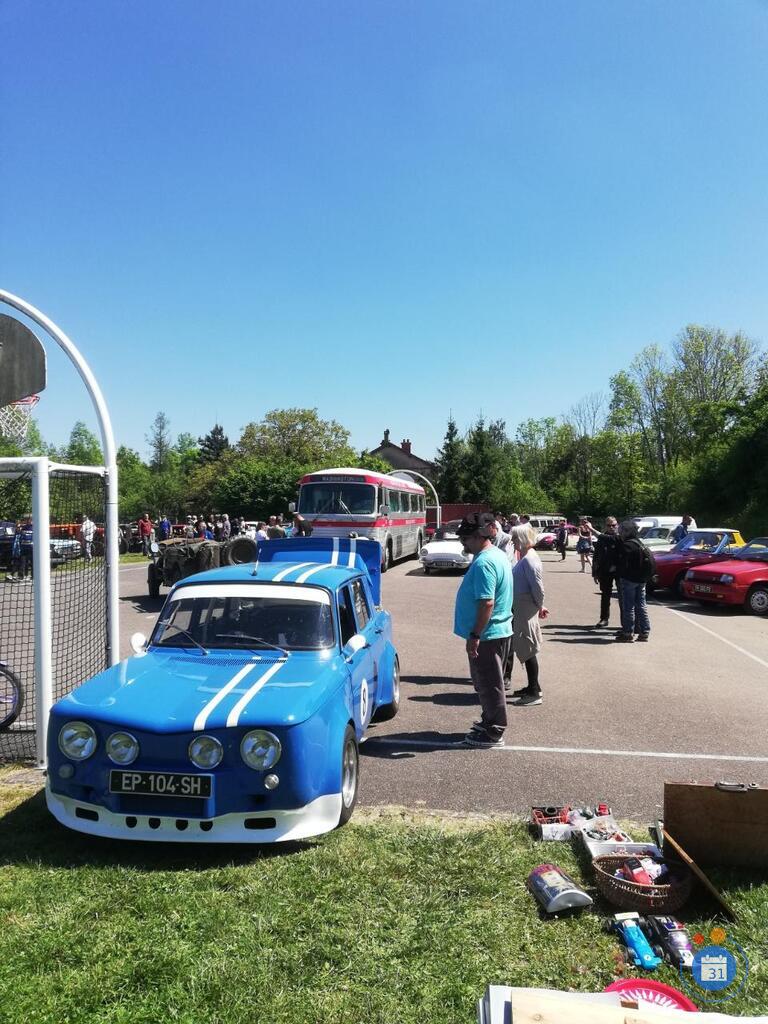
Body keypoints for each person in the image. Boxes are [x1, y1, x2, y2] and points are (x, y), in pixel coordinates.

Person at [453, 513, 513, 748]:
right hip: (495, 630)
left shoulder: (484, 562)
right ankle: (489, 719)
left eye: (465, 538)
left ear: (479, 536)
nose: (462, 543)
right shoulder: (495, 555)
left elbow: (487, 602)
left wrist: (475, 635)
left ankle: (494, 731)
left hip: (488, 634)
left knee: (489, 683)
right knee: (487, 681)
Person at [508, 524, 548, 706]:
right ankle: (532, 686)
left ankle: (534, 691)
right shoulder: (525, 557)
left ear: (523, 538)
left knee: (528, 647)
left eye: (515, 538)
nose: (513, 541)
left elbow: (538, 587)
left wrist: (540, 606)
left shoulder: (530, 559)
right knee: (525, 646)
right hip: (522, 605)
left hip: (525, 607)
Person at [615, 520, 655, 642]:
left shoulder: (627, 545)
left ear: (627, 532)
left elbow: (622, 563)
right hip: (642, 579)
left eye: (621, 530)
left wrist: (618, 572)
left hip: (630, 579)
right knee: (641, 605)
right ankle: (644, 632)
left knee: (628, 606)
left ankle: (627, 633)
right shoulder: (639, 543)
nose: (620, 533)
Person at [591, 516, 622, 627]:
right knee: (605, 596)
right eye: (609, 525)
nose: (611, 527)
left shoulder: (620, 537)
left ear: (617, 525)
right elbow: (596, 555)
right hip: (605, 571)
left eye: (613, 525)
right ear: (606, 526)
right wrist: (595, 572)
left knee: (622, 597)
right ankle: (604, 619)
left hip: (619, 571)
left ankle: (625, 622)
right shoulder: (602, 538)